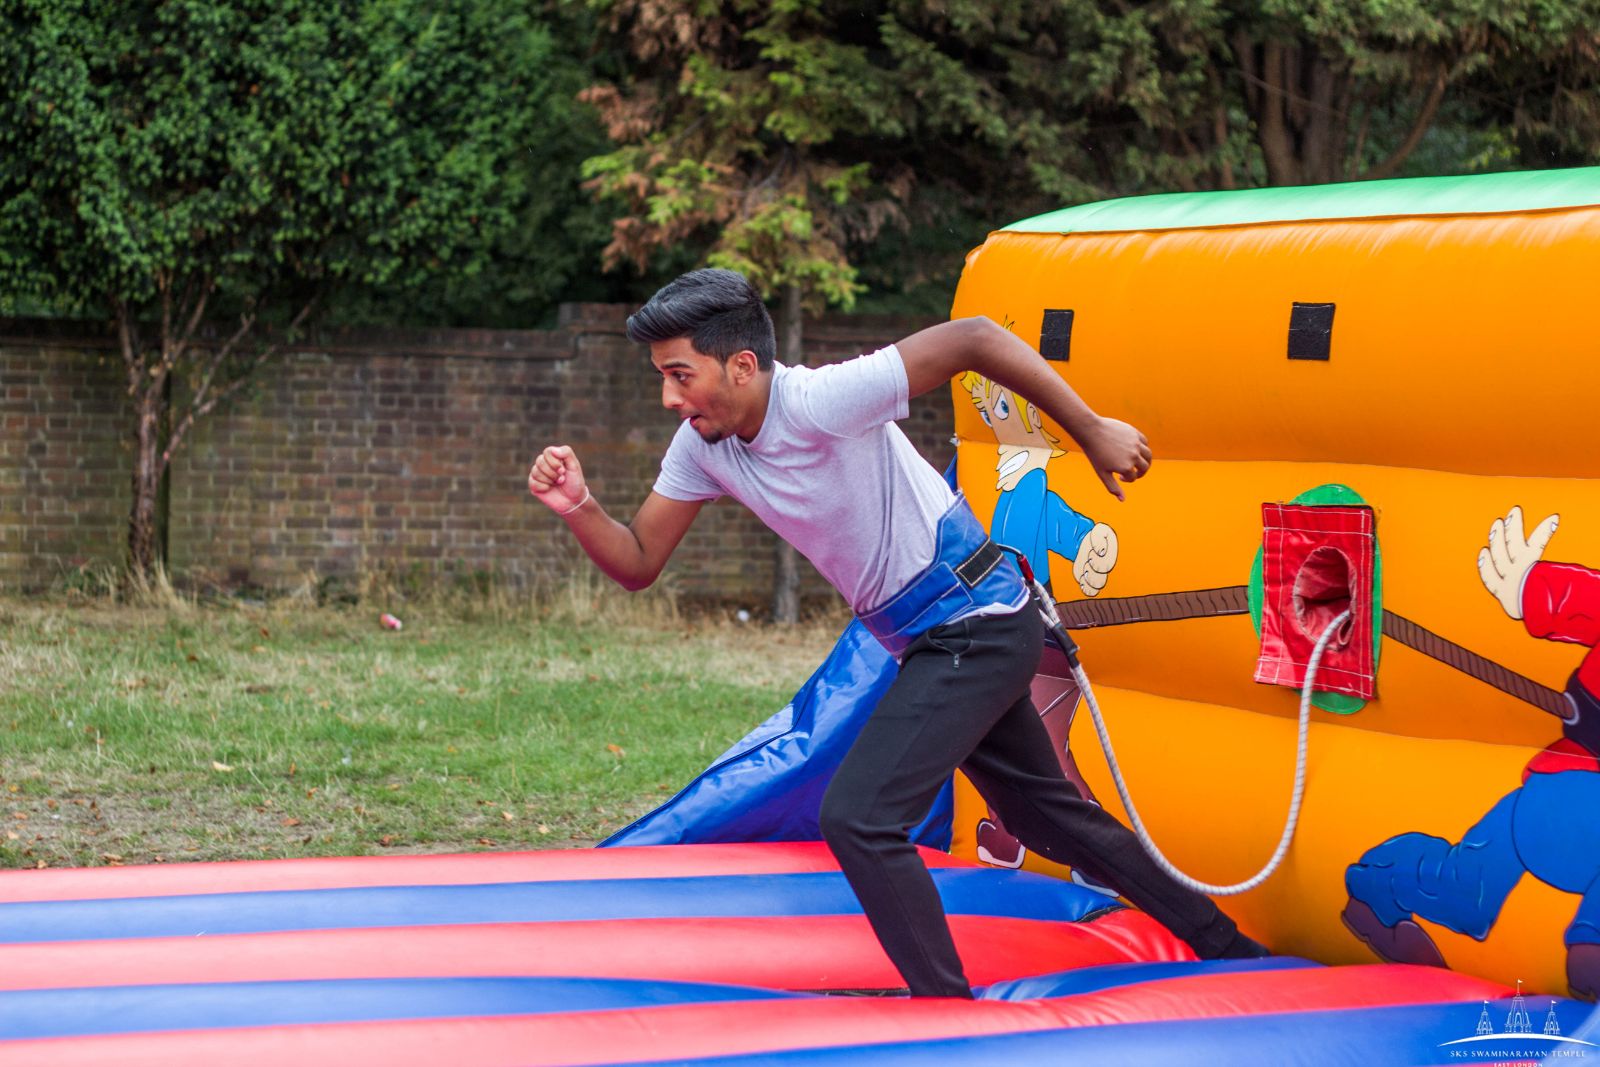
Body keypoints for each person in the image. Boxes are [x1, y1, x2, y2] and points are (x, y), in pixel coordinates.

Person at [528, 268, 1266, 997]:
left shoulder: (818, 400)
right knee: (1047, 817)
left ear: (742, 365)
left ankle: (947, 1010)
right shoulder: (704, 446)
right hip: (932, 638)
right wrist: (578, 504)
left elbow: (975, 338)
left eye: (680, 375)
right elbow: (637, 560)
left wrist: (1093, 431)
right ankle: (1227, 946)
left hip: (975, 620)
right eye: (663, 376)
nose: (669, 397)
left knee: (859, 817)